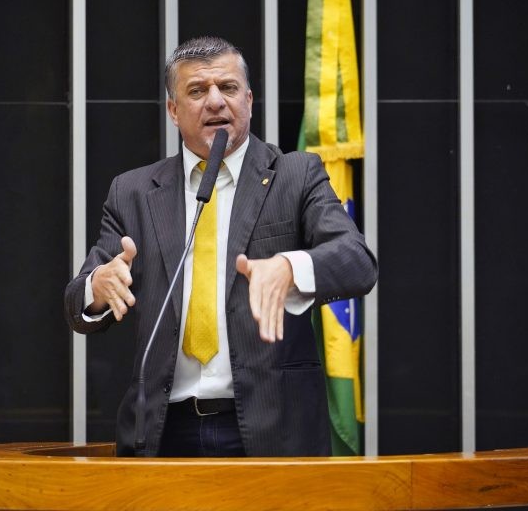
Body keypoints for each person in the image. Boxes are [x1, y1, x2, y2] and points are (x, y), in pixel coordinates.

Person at [64, 36, 377, 457]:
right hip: (162, 432)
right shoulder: (134, 191)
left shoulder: (295, 174)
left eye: (228, 88)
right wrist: (96, 288)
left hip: (272, 429)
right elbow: (77, 306)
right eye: (196, 91)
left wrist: (289, 266)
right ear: (174, 110)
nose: (215, 101)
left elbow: (358, 261)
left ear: (248, 99)